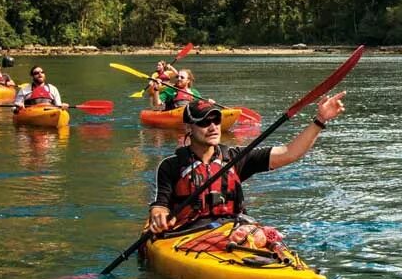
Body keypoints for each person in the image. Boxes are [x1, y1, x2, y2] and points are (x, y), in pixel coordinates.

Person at [147, 93, 344, 243]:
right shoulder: (171, 166)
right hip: (190, 232)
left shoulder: (235, 158)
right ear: (189, 128)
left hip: (234, 228)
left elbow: (289, 152)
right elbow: (160, 206)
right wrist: (159, 217)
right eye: (204, 122)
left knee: (259, 236)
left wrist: (320, 120)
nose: (213, 127)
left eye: (216, 120)